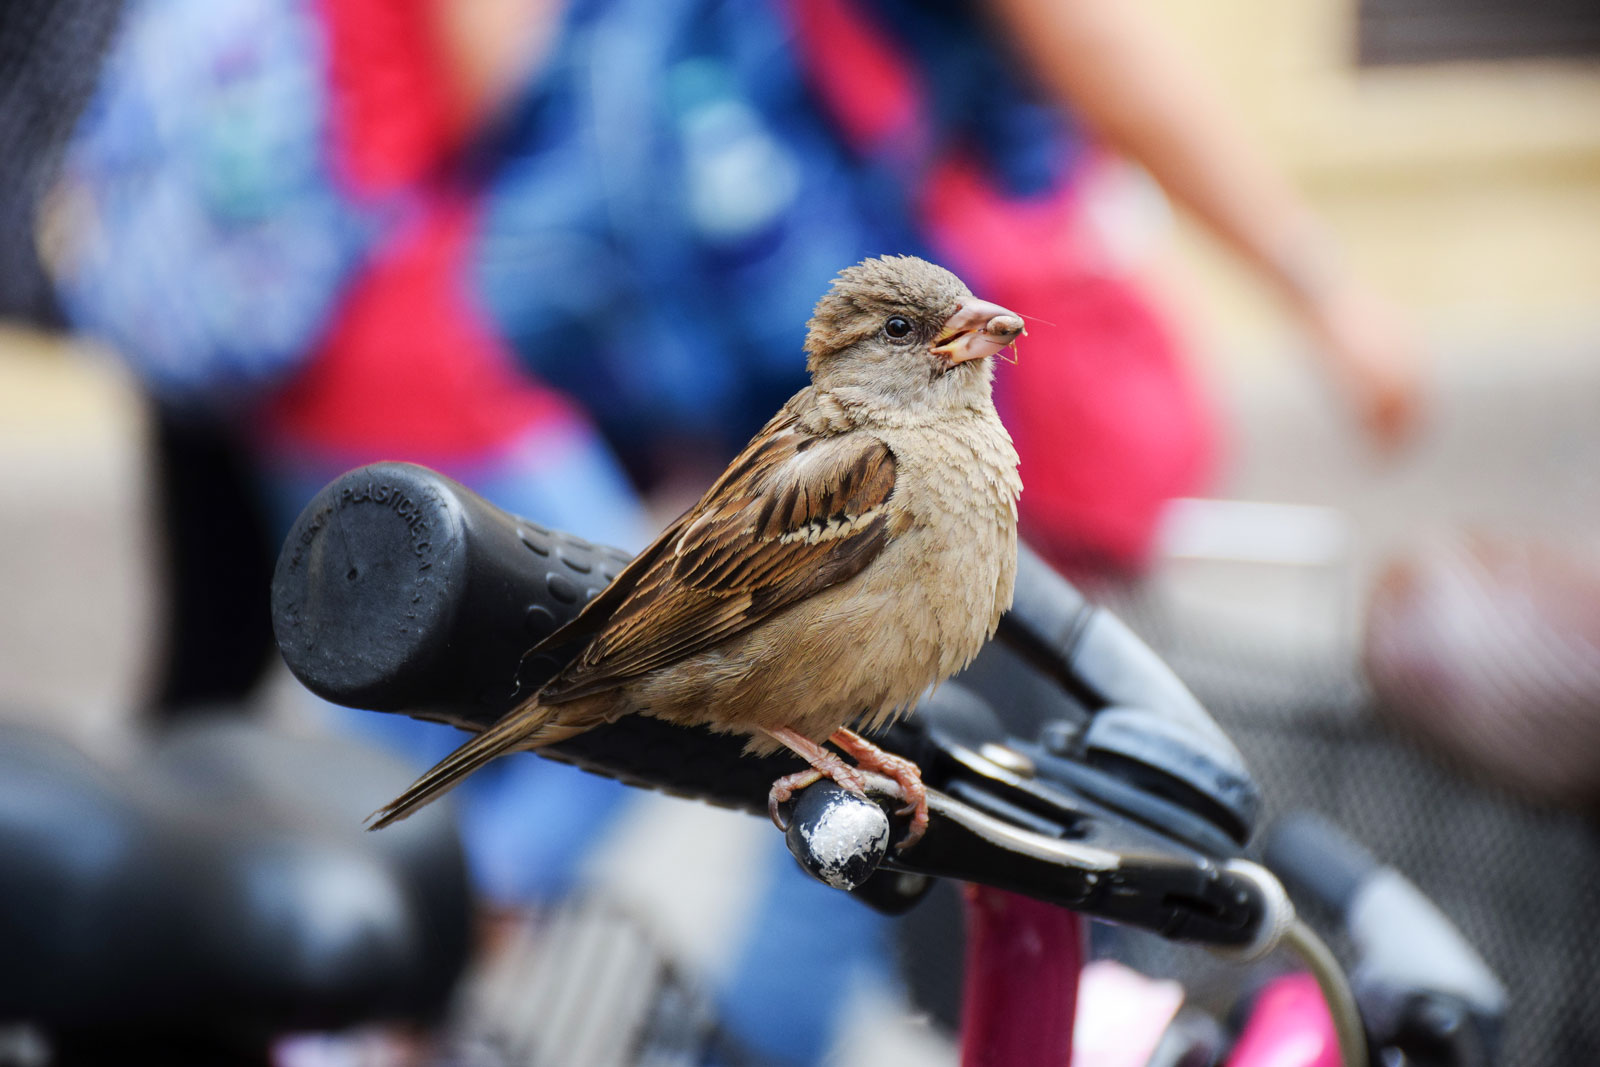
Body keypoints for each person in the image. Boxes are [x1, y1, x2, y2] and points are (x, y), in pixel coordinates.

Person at [46, 0, 1423, 1061]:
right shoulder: (888, 453)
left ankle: (387, 980)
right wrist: (1322, 288)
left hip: (418, 380)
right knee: (827, 871)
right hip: (465, 394)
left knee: (806, 839)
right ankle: (390, 981)